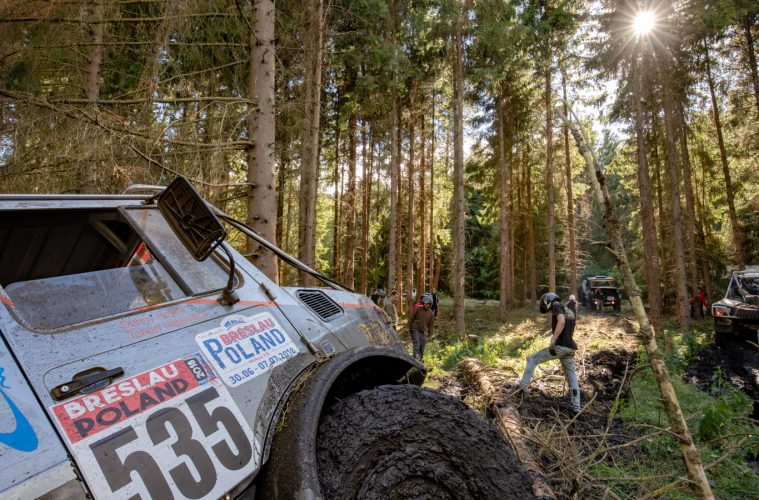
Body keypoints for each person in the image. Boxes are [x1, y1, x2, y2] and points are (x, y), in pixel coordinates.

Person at [514, 292, 580, 414]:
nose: (550, 312)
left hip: (560, 346)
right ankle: (576, 407)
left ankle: (522, 388)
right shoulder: (570, 310)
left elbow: (561, 322)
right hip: (570, 348)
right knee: (572, 379)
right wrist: (572, 299)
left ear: (547, 302)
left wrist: (553, 339)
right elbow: (572, 303)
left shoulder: (556, 306)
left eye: (548, 310)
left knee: (532, 359)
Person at [408, 293, 435, 362]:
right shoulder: (418, 309)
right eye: (426, 303)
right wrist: (407, 327)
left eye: (428, 304)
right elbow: (411, 318)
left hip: (422, 331)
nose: (427, 305)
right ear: (423, 303)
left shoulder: (431, 314)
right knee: (416, 341)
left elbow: (431, 326)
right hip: (414, 328)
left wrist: (430, 336)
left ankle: (420, 359)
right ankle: (416, 355)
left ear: (430, 304)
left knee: (422, 344)